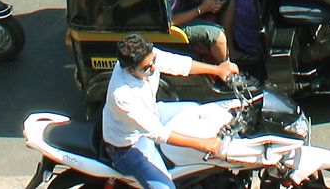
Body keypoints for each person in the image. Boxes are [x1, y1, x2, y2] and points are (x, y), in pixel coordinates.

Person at [102, 32, 240, 189]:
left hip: (153, 112)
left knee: (196, 110)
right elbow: (157, 133)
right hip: (131, 143)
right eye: (147, 68)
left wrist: (218, 69)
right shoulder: (122, 94)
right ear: (129, 70)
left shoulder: (147, 58)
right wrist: (203, 144)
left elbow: (178, 64)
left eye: (154, 61)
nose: (154, 68)